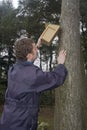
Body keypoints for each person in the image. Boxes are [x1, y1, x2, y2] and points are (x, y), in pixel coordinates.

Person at [0, 37, 67, 130]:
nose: (37, 50)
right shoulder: (33, 76)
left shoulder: (13, 69)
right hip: (21, 124)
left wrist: (36, 46)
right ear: (29, 55)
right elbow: (56, 78)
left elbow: (26, 64)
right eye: (35, 49)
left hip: (8, 120)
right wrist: (60, 64)